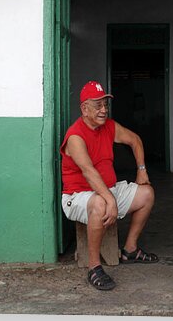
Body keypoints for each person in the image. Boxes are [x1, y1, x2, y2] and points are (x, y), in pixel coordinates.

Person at [61, 80, 159, 291]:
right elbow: (88, 172)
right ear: (84, 109)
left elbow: (136, 140)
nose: (104, 110)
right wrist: (110, 199)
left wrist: (141, 170)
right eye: (98, 105)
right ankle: (94, 266)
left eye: (105, 104)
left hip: (108, 190)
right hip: (78, 196)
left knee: (147, 194)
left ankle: (130, 249)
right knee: (99, 204)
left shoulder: (109, 127)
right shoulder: (75, 136)